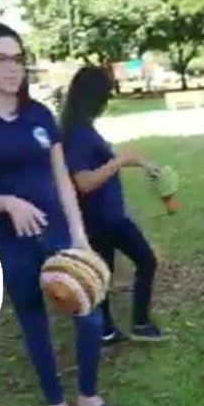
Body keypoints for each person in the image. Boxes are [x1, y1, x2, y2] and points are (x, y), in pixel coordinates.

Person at [0, 22, 124, 406]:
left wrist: (80, 235)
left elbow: (63, 179)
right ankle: (55, 404)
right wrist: (5, 203)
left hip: (58, 233)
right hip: (9, 242)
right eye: (0, 59)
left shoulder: (40, 115)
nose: (13, 68)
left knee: (89, 313)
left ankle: (88, 395)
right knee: (33, 321)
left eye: (18, 59)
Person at [60, 65, 164, 345]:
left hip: (101, 216)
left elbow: (98, 166)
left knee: (104, 273)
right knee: (146, 261)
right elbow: (83, 181)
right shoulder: (79, 133)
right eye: (105, 95)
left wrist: (139, 163)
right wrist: (121, 160)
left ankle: (105, 330)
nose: (107, 102)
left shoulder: (80, 128)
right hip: (105, 218)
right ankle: (140, 323)